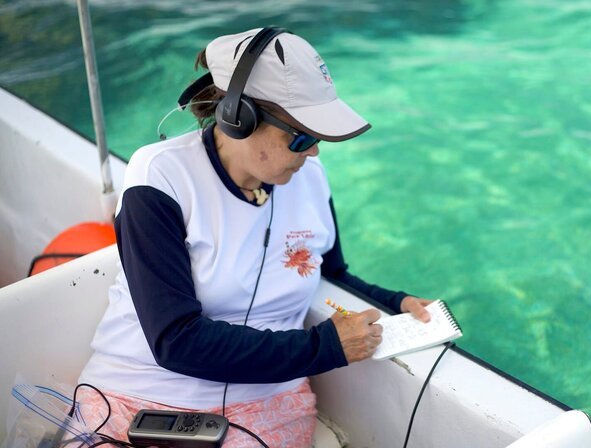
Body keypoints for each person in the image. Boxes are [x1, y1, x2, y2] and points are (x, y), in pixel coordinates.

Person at [77, 27, 433, 447]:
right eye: (301, 137)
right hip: (139, 393)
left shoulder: (311, 177)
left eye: (317, 138)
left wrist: (394, 304)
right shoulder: (160, 177)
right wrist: (323, 347)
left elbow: (330, 272)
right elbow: (175, 340)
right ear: (238, 118)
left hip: (267, 402)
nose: (314, 152)